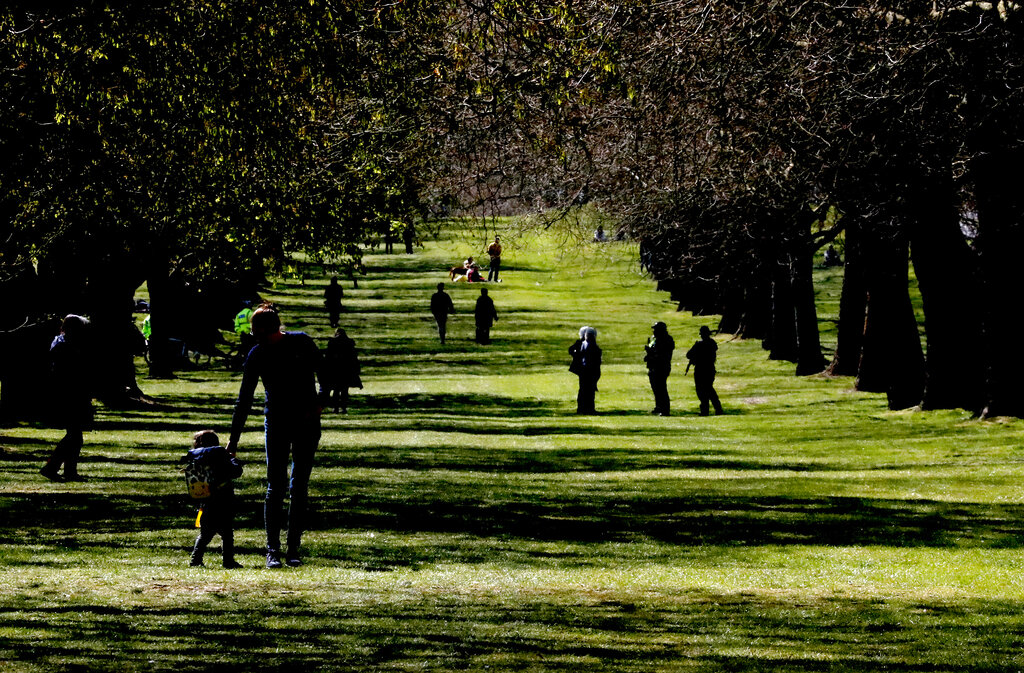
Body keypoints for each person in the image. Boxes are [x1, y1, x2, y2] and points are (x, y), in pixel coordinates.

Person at [226, 303, 327, 569]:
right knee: (275, 485)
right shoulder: (256, 354)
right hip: (277, 423)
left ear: (269, 329)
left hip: (306, 422)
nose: (255, 337)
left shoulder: (301, 342)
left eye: (257, 332)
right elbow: (244, 400)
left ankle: (293, 548)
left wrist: (320, 400)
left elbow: (325, 371)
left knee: (299, 486)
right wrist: (233, 441)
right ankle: (272, 550)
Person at [40, 314, 93, 482]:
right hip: (69, 397)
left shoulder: (65, 345)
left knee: (75, 437)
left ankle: (70, 471)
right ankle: (51, 467)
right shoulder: (64, 347)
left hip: (73, 395)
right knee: (74, 437)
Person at [186, 430, 243, 569]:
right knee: (227, 534)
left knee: (205, 534)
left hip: (206, 501)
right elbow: (236, 471)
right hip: (224, 501)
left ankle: (196, 559)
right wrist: (233, 459)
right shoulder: (220, 457)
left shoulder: (197, 459)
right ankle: (228, 560)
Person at [685, 326, 723, 416]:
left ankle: (707, 410)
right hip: (708, 369)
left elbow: (689, 355)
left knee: (704, 390)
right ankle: (715, 408)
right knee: (707, 389)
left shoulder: (701, 344)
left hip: (702, 369)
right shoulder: (711, 343)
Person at [324, 328, 363, 413]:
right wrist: (356, 369)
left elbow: (328, 358)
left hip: (336, 370)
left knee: (336, 390)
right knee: (344, 390)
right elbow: (353, 358)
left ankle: (336, 407)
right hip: (346, 370)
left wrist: (326, 369)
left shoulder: (332, 343)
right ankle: (343, 407)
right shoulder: (349, 343)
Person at [644, 321, 675, 416]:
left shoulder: (667, 340)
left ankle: (665, 409)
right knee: (655, 388)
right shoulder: (655, 339)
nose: (654, 331)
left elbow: (663, 354)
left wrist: (652, 353)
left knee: (661, 388)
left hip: (662, 366)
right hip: (653, 365)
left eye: (656, 329)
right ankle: (659, 406)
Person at [569, 326, 601, 415]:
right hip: (585, 371)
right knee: (585, 390)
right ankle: (584, 409)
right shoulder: (584, 344)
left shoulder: (592, 346)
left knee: (587, 390)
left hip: (587, 371)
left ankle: (587, 408)